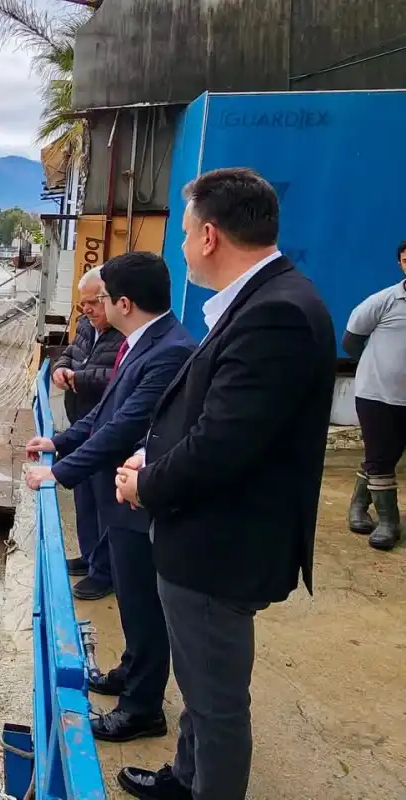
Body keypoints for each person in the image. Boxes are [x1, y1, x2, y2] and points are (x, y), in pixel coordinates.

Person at [114, 167, 335, 800]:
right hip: (208, 535)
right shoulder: (262, 300)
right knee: (200, 679)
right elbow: (214, 418)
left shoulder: (277, 315)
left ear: (209, 235)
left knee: (216, 706)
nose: (180, 247)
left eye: (184, 233)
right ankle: (184, 779)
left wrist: (144, 484)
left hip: (221, 546)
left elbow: (222, 447)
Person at [25, 251, 195, 741]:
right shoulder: (143, 342)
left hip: (142, 497)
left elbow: (124, 427)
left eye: (100, 299)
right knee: (134, 602)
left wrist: (60, 475)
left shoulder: (168, 351)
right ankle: (131, 672)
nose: (93, 308)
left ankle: (142, 708)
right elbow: (106, 416)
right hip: (126, 498)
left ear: (123, 302)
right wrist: (59, 442)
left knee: (144, 604)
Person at [50, 267, 125, 597]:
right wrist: (60, 369)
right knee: (84, 500)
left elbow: (119, 377)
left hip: (107, 427)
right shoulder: (84, 325)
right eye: (82, 305)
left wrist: (80, 378)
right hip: (81, 423)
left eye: (92, 303)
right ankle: (90, 555)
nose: (86, 311)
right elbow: (69, 354)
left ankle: (105, 572)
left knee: (105, 500)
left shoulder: (124, 335)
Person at [340, 240, 406, 552]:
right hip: (376, 394)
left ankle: (357, 506)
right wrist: (374, 366)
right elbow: (351, 341)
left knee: (386, 455)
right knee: (381, 456)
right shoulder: (385, 301)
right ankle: (388, 521)